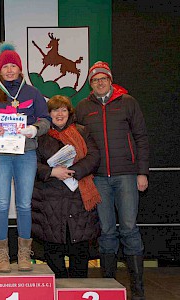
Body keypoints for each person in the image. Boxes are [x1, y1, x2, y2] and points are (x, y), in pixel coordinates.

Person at [76, 61, 149, 300]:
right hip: (98, 178)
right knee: (106, 232)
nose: (99, 82)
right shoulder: (83, 107)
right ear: (90, 83)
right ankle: (108, 288)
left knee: (129, 229)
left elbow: (141, 138)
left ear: (110, 80)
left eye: (103, 78)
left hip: (127, 175)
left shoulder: (128, 102)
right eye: (95, 79)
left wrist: (142, 172)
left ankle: (137, 289)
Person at [0, 43, 50, 273]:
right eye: (5, 66)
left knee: (24, 204)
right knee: (0, 204)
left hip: (25, 154)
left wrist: (34, 129)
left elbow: (45, 119)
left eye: (13, 66)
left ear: (20, 69)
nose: (9, 70)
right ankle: (1, 255)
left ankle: (24, 254)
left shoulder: (33, 93)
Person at [31, 95, 101, 278]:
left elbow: (94, 157)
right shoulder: (40, 136)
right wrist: (52, 172)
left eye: (63, 110)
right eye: (55, 110)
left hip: (79, 198)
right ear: (49, 114)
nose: (59, 114)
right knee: (53, 252)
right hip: (49, 200)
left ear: (70, 113)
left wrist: (74, 171)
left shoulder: (83, 132)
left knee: (80, 250)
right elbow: (31, 163)